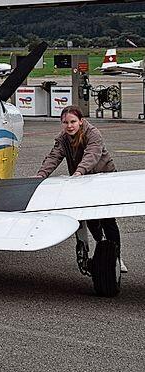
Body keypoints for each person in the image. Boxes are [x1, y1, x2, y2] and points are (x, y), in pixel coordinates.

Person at [36, 105, 127, 273]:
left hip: (103, 177)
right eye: (65, 122)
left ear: (81, 121)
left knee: (108, 220)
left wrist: (79, 171)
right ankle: (103, 248)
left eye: (73, 122)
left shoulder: (93, 134)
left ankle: (117, 257)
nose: (69, 126)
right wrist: (41, 175)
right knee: (91, 219)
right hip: (83, 180)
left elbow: (91, 155)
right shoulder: (63, 138)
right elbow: (54, 157)